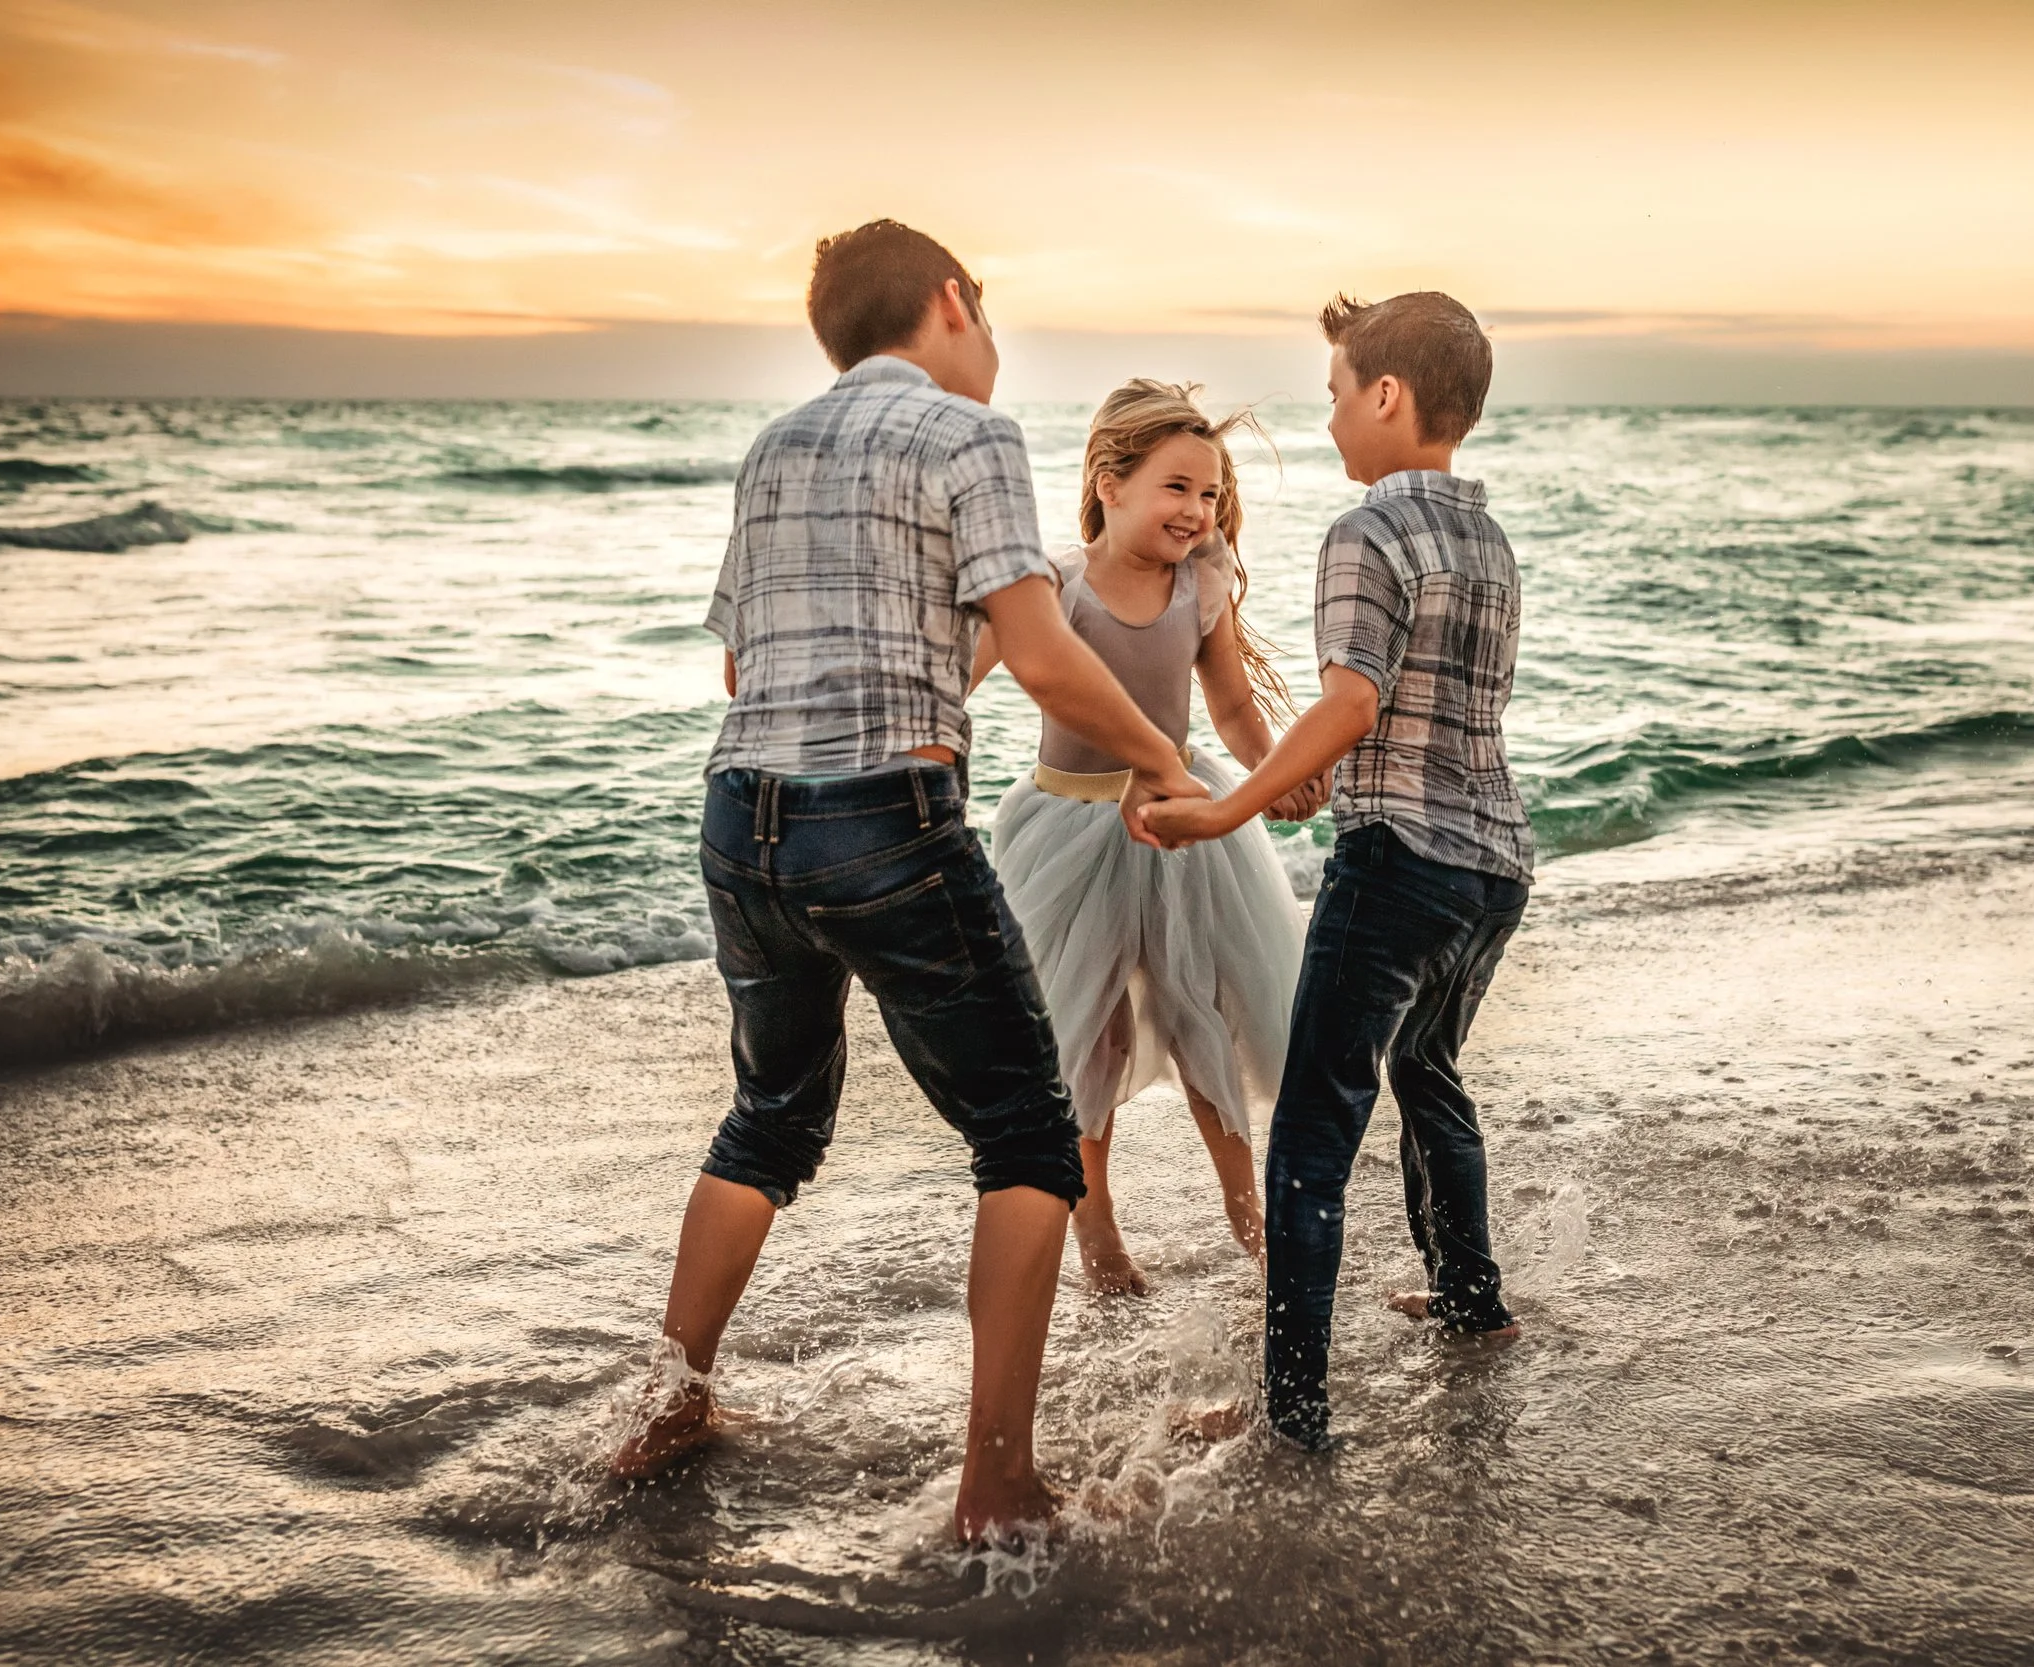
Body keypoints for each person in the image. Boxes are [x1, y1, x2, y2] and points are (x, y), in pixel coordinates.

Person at [608, 220, 1207, 1544]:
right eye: (984, 314)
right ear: (949, 302)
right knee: (1029, 1134)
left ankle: (665, 1404)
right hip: (884, 818)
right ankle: (995, 1483)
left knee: (770, 1114)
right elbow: (1046, 654)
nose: (989, 342)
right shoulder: (965, 433)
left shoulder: (776, 447)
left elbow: (737, 670)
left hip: (740, 817)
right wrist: (1163, 758)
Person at [1143, 292, 1533, 1451]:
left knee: (1313, 1128)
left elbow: (1352, 701)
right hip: (1493, 865)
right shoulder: (1488, 539)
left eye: (1331, 395)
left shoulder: (1366, 531)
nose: (1325, 424)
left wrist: (1227, 808)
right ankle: (1472, 1304)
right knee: (1429, 1072)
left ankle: (1291, 1412)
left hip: (1399, 859)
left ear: (1386, 395)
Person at [970, 380, 1322, 1296]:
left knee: (1204, 1012)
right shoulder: (1055, 585)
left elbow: (1235, 706)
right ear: (1108, 481)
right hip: (1067, 828)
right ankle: (1099, 1233)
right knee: (1086, 1035)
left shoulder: (1199, 587)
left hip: (1178, 822)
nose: (1198, 511)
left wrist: (1273, 774)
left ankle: (1258, 1228)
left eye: (1209, 495)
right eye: (1177, 487)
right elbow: (964, 677)